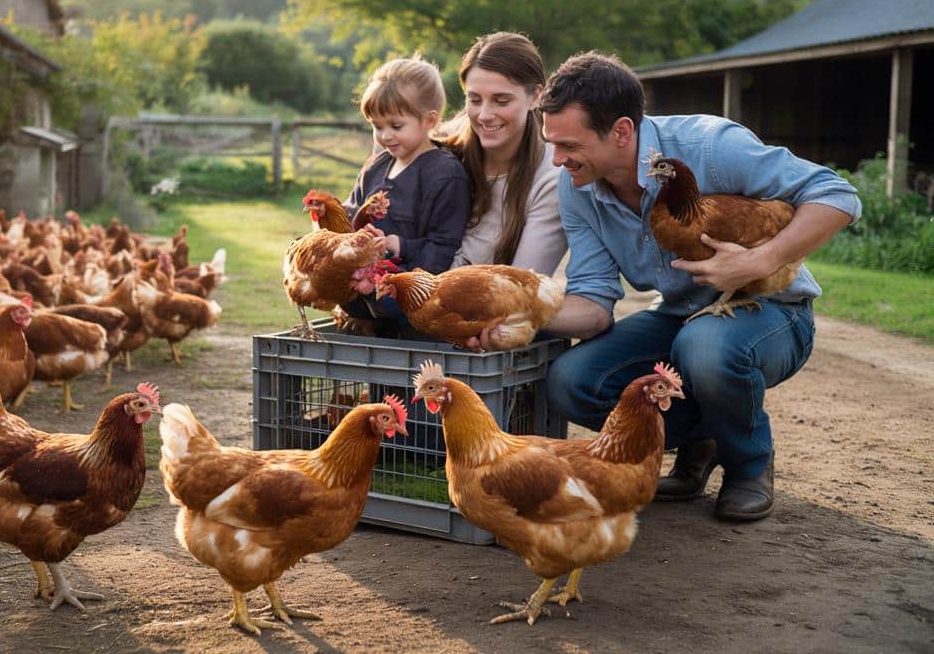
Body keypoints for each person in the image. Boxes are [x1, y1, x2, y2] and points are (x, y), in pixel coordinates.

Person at [474, 51, 860, 521]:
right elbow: (593, 304)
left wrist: (756, 261)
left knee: (705, 348)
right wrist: (515, 315)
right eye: (551, 143)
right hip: (680, 314)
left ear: (621, 131)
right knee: (571, 382)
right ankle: (705, 435)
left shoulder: (710, 146)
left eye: (570, 145)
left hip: (772, 309)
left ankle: (748, 463)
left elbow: (837, 195)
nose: (557, 159)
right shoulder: (576, 187)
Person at [341, 55, 470, 330]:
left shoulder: (445, 174)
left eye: (396, 126)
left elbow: (442, 249)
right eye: (377, 126)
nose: (385, 136)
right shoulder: (376, 166)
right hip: (363, 283)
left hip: (409, 296)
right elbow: (350, 214)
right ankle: (365, 319)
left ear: (429, 120)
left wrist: (396, 245)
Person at [440, 32, 566, 275]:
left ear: (535, 97)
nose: (484, 115)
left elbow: (523, 285)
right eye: (475, 100)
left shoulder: (551, 179)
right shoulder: (437, 151)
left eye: (501, 101)